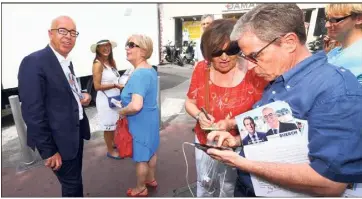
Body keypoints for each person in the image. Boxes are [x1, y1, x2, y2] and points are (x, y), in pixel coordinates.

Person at [206, 4, 362, 197]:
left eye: (255, 56)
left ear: (289, 42)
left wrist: (243, 163)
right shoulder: (279, 77)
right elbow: (283, 135)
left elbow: (330, 182)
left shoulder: (335, 90)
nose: (251, 67)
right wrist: (238, 140)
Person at [185, 19, 268, 197]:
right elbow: (189, 102)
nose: (224, 57)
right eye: (217, 52)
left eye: (231, 50)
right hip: (205, 143)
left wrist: (230, 124)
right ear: (207, 53)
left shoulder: (255, 73)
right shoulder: (202, 69)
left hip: (238, 145)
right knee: (205, 184)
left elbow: (263, 116)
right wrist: (199, 115)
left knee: (228, 189)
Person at [18, 16, 92, 197]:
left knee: (74, 181)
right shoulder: (34, 62)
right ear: (50, 34)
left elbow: (63, 94)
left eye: (73, 33)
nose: (68, 36)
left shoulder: (66, 61)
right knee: (72, 186)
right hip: (58, 142)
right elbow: (32, 112)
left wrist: (81, 97)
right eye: (62, 31)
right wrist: (49, 151)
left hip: (74, 135)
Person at [119, 34, 159, 197]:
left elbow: (136, 105)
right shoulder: (149, 69)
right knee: (151, 150)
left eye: (131, 45)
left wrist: (122, 111)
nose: (127, 48)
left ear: (143, 50)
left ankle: (141, 187)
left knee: (141, 156)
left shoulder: (139, 74)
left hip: (140, 121)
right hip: (150, 118)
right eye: (127, 44)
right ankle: (151, 179)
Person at [91, 39, 124, 159]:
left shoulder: (111, 62)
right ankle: (110, 150)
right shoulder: (98, 64)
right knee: (108, 126)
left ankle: (113, 144)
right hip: (105, 100)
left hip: (115, 98)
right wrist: (115, 85)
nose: (106, 48)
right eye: (102, 46)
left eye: (108, 46)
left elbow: (115, 79)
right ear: (97, 49)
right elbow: (97, 86)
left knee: (114, 124)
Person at [325, 4, 362, 84]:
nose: (327, 25)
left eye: (335, 20)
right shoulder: (335, 51)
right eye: (328, 20)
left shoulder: (358, 56)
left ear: (359, 19)